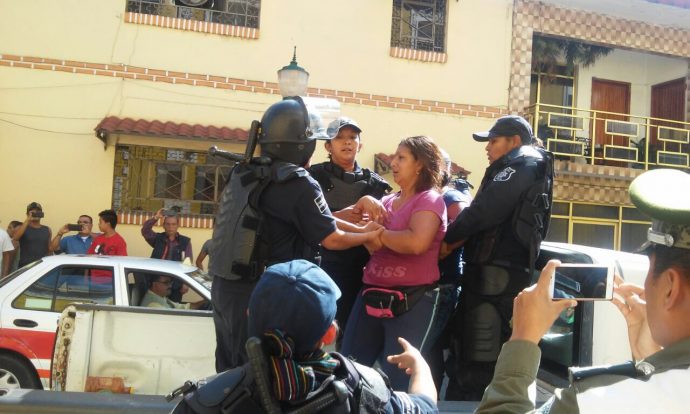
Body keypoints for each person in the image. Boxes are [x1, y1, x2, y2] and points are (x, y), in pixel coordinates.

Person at [477, 168, 690, 413]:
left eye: (649, 270)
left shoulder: (595, 402)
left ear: (670, 288)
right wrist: (649, 361)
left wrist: (523, 339)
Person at [209, 97, 383, 372]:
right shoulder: (299, 182)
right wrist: (369, 236)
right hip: (265, 293)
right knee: (266, 376)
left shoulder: (245, 171)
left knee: (230, 371)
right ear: (303, 144)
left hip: (224, 286)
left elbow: (298, 222)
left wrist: (359, 226)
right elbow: (331, 238)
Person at [442, 115, 553, 400]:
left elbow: (486, 210)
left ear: (514, 141)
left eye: (493, 141)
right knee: (469, 348)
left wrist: (448, 239)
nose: (487, 148)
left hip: (497, 278)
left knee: (480, 358)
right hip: (489, 274)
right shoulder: (522, 164)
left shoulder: (525, 161)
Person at [247, 259, 438, 413]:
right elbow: (425, 407)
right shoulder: (364, 390)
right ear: (330, 334)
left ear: (248, 314)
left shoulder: (225, 392)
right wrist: (420, 367)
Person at [340, 135, 447, 390]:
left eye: (401, 157)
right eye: (394, 156)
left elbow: (416, 243)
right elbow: (366, 240)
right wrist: (363, 208)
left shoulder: (430, 199)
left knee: (397, 382)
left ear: (420, 164)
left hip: (411, 301)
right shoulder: (387, 200)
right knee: (349, 370)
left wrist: (377, 233)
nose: (393, 162)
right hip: (370, 295)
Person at [309, 116, 391, 345]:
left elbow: (383, 225)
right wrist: (336, 217)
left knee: (348, 334)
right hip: (320, 266)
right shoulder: (311, 178)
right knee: (314, 330)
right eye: (340, 138)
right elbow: (303, 222)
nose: (347, 143)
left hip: (359, 270)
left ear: (360, 144)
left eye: (352, 138)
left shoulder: (376, 185)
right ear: (327, 146)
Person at [422, 149, 473, 391]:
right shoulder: (423, 197)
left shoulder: (448, 196)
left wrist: (447, 245)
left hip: (441, 286)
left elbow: (466, 219)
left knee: (426, 351)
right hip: (426, 285)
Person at [13, 202, 52, 267]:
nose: (35, 213)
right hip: (25, 267)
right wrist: (28, 219)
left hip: (43, 266)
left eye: (38, 211)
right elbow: (15, 238)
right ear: (27, 214)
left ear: (41, 214)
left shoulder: (47, 229)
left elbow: (50, 250)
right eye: (32, 212)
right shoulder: (21, 228)